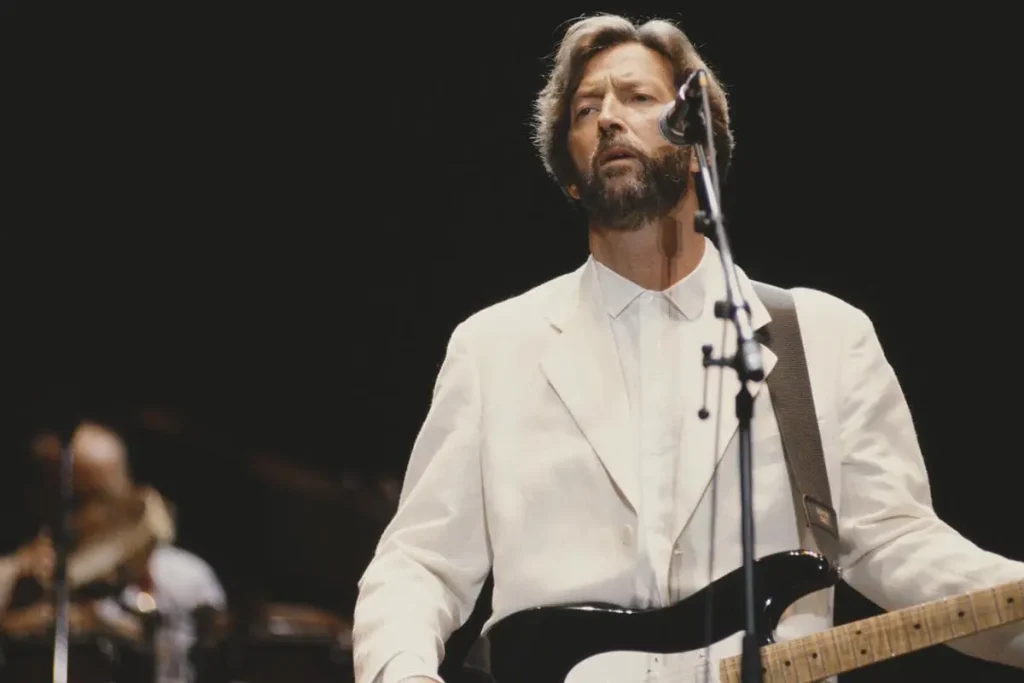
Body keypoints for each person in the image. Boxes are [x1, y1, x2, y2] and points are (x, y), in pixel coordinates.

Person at [351, 13, 1024, 683]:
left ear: (700, 143)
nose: (609, 118)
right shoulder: (493, 347)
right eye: (586, 109)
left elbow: (900, 543)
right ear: (571, 176)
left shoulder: (823, 338)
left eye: (638, 97)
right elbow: (421, 562)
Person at [0, 420, 227, 683]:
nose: (90, 517)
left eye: (102, 498)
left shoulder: (185, 578)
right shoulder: (24, 575)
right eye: (74, 502)